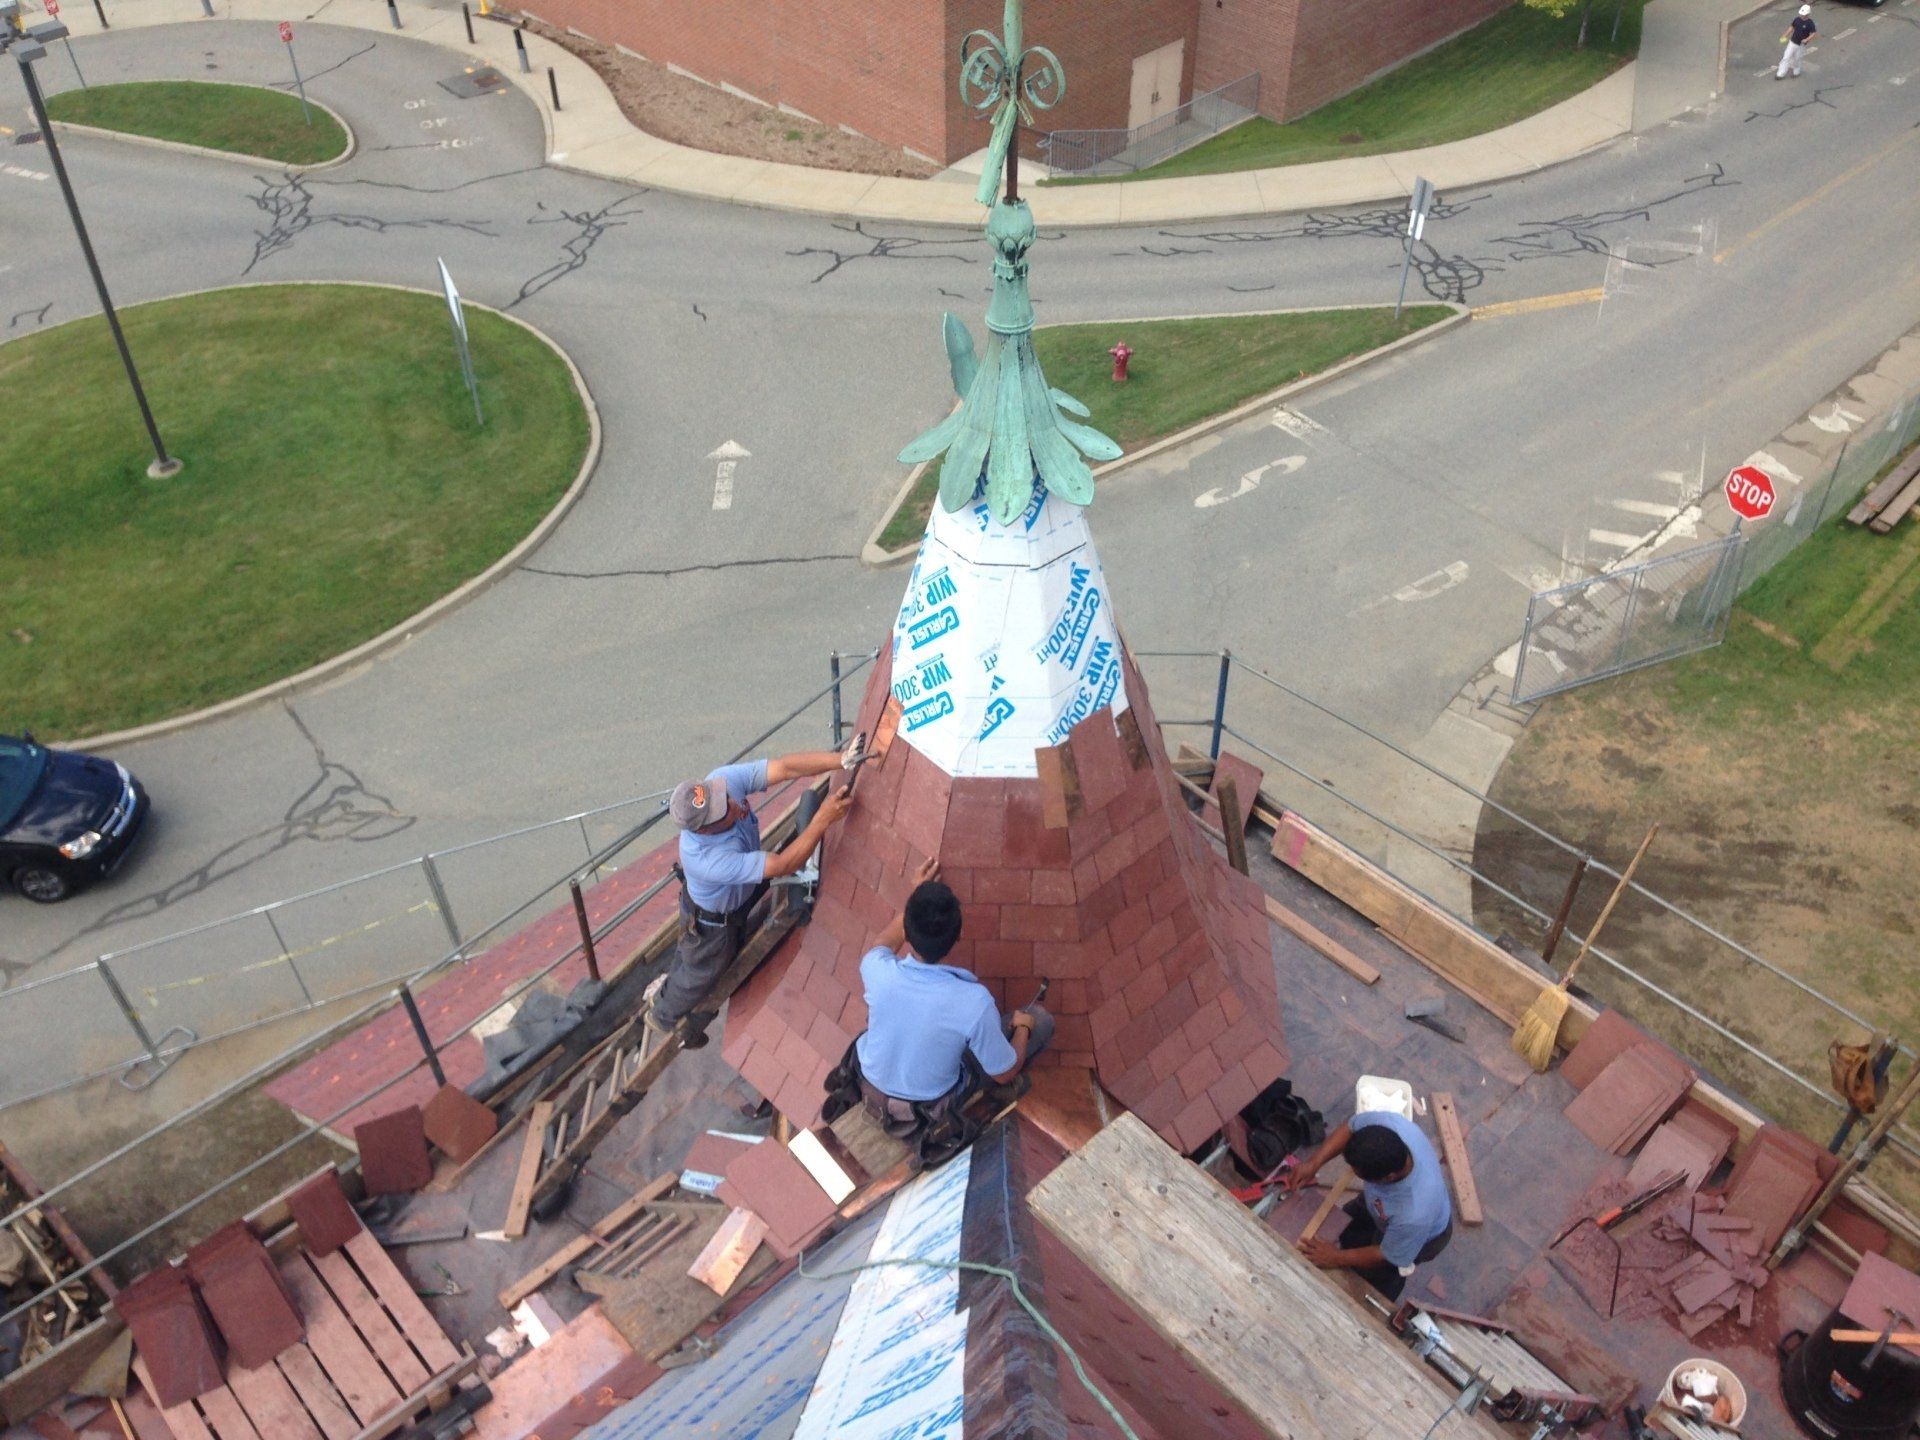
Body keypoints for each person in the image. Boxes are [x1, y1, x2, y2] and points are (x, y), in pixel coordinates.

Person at [645, 749, 856, 1038]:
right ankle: (663, 1016)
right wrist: (823, 819)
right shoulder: (705, 857)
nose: (732, 804)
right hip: (714, 924)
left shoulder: (720, 781)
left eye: (724, 799)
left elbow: (784, 768)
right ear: (703, 831)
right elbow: (783, 864)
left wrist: (841, 759)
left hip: (732, 892)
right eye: (722, 811)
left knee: (688, 957)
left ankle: (669, 988)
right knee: (700, 974)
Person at [851, 864, 1052, 1139]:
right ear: (958, 937)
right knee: (1040, 1021)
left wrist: (918, 897)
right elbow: (1005, 1072)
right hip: (926, 1107)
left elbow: (883, 941)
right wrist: (1023, 1028)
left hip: (870, 1087)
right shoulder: (974, 1002)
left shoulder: (877, 970)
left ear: (907, 934)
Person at [1283, 1109, 1453, 1300]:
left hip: (1420, 1237)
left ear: (1388, 1177)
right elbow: (1350, 1128)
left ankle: (1376, 1293)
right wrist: (1314, 1163)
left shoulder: (1414, 1214)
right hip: (1379, 1205)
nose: (1353, 1173)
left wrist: (1335, 1258)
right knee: (1344, 1229)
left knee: (1381, 1274)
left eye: (1359, 1174)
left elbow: (1385, 1254)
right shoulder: (1389, 1126)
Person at [1778, 5, 1815, 79]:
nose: (1801, 15)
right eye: (1801, 14)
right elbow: (1792, 27)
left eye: (1803, 14)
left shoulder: (1810, 23)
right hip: (1792, 42)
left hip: (1801, 45)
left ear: (1807, 14)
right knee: (1786, 57)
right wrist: (1785, 35)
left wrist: (1807, 39)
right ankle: (1780, 73)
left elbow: (1813, 33)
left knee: (1797, 59)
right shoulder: (1797, 19)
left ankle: (1796, 71)